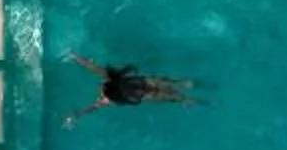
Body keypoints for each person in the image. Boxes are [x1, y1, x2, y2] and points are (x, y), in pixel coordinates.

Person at [63, 52, 198, 126]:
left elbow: (90, 108)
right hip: (143, 82)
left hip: (142, 96)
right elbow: (92, 67)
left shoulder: (106, 99)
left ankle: (186, 100)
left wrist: (74, 116)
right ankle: (188, 84)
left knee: (171, 98)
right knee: (174, 84)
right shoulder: (110, 78)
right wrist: (75, 57)